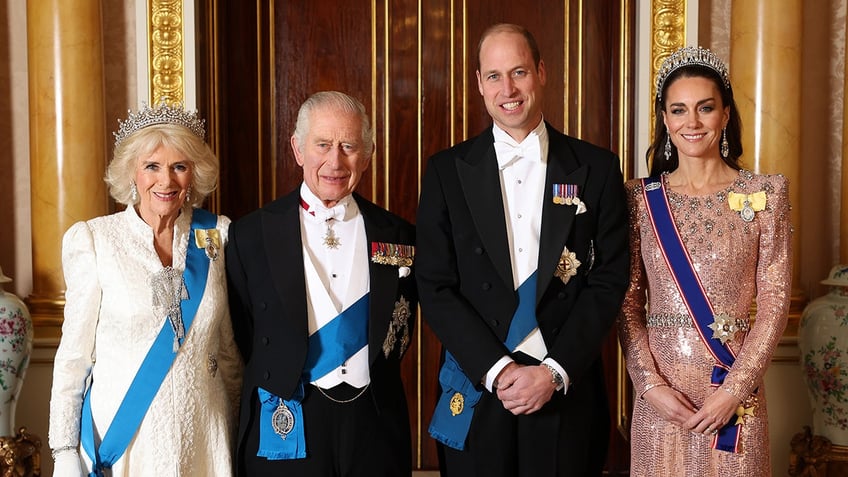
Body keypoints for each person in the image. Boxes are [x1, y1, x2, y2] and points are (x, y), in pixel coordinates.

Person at [416, 23, 630, 476]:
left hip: (564, 386)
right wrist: (497, 370)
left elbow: (608, 280)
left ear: (542, 72)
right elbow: (434, 284)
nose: (508, 89)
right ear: (478, 83)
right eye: (494, 76)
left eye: (519, 72)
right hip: (479, 385)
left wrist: (553, 371)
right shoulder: (446, 171)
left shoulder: (596, 167)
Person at [617, 46, 792, 476]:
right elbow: (626, 304)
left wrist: (734, 390)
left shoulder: (767, 194)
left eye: (705, 108)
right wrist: (649, 384)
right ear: (664, 120)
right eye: (678, 110)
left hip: (733, 391)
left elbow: (774, 303)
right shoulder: (639, 199)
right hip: (662, 397)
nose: (691, 123)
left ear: (726, 114)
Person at [226, 91, 416, 476]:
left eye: (348, 146)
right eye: (323, 145)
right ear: (298, 149)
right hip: (288, 416)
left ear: (368, 152)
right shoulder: (251, 235)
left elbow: (401, 329)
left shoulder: (400, 235)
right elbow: (243, 334)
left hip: (374, 424)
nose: (335, 161)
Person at [48, 102, 242, 476]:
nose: (165, 181)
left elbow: (228, 348)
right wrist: (63, 450)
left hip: (205, 434)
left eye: (179, 166)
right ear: (131, 173)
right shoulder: (95, 240)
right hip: (126, 440)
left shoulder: (216, 236)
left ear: (194, 174)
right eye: (152, 166)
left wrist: (240, 431)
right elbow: (74, 358)